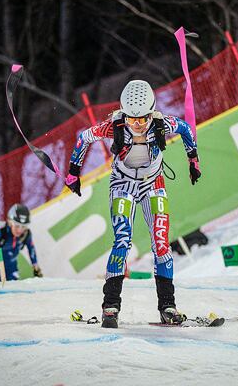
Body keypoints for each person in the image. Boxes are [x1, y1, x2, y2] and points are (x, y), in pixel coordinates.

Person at [64, 80, 201, 328]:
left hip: (153, 183)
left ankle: (167, 306)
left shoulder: (162, 123)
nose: (137, 124)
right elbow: (84, 138)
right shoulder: (113, 126)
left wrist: (193, 160)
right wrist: (74, 172)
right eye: (131, 119)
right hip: (123, 185)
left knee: (160, 241)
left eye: (142, 119)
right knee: (123, 240)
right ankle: (111, 306)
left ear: (152, 113)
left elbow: (185, 129)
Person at [0, 203, 42, 283]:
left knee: (13, 290)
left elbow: (31, 248)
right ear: (10, 222)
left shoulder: (26, 234)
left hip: (11, 269)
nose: (20, 230)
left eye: (23, 226)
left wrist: (35, 265)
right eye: (17, 226)